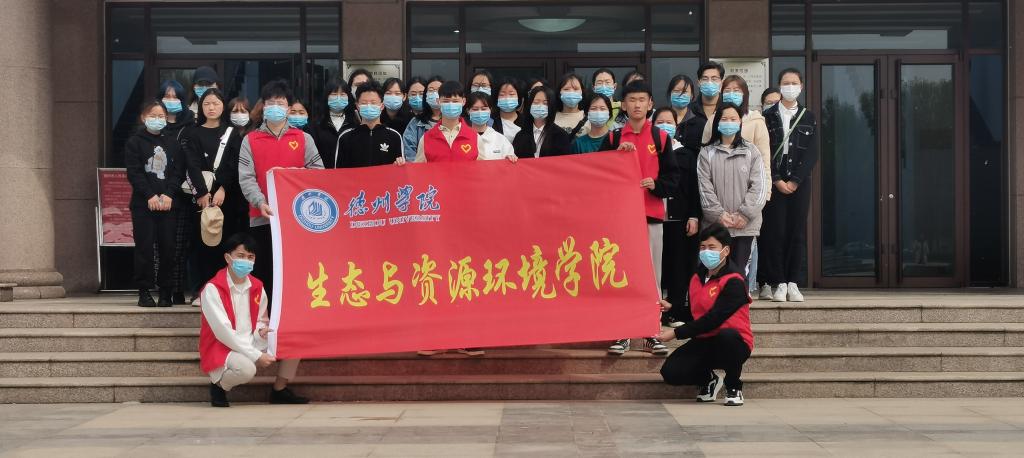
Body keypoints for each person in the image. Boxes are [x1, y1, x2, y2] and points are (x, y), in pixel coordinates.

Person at [237, 79, 319, 404]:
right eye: (270, 102)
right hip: (261, 222)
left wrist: (298, 196)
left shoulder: (303, 138)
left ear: (289, 107)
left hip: (296, 226)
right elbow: (245, 178)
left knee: (294, 291)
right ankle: (257, 356)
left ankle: (283, 379)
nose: (276, 107)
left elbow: (317, 171)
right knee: (266, 288)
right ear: (263, 106)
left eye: (281, 102)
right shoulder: (250, 140)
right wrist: (261, 202)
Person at [600, 80, 679, 356]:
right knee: (621, 274)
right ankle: (621, 332)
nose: (637, 105)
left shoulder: (661, 138)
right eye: (632, 100)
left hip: (651, 216)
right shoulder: (613, 138)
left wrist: (656, 185)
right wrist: (615, 158)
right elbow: (599, 175)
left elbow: (673, 179)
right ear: (623, 105)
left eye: (642, 99)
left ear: (650, 104)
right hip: (620, 219)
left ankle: (650, 332)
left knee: (652, 278)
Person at [658, 223, 753, 407]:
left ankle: (733, 386)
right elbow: (696, 313)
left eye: (712, 247)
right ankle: (709, 380)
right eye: (702, 247)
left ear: (725, 251)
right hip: (705, 339)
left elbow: (713, 319)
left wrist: (675, 333)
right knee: (671, 372)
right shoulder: (697, 277)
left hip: (735, 341)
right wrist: (672, 309)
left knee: (727, 336)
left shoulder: (734, 281)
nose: (706, 252)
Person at [200, 233, 300, 407]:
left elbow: (261, 318)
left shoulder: (257, 286)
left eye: (250, 257)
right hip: (224, 346)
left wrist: (261, 330)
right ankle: (219, 386)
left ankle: (280, 389)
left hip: (251, 339)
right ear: (228, 258)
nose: (246, 261)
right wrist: (257, 355)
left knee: (296, 340)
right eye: (240, 256)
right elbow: (223, 331)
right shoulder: (212, 289)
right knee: (247, 370)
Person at [760, 69, 817, 303]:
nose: (790, 86)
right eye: (786, 82)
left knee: (796, 232)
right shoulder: (767, 116)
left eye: (794, 83)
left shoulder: (809, 116)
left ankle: (793, 282)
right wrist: (776, 179)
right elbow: (763, 150)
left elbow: (812, 153)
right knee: (775, 232)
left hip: (799, 181)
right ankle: (779, 282)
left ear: (801, 87)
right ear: (779, 85)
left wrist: (795, 181)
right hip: (774, 179)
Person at [182, 89, 247, 291]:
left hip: (226, 198)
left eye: (216, 103)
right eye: (207, 103)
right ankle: (200, 290)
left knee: (225, 242)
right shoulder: (192, 133)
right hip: (200, 198)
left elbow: (234, 164)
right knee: (199, 243)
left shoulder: (232, 133)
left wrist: (223, 188)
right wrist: (201, 193)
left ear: (223, 106)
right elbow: (191, 164)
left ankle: (222, 288)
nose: (211, 107)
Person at [697, 103, 767, 282]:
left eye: (733, 119)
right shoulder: (706, 153)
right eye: (724, 119)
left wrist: (744, 214)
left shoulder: (752, 151)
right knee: (714, 273)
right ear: (717, 122)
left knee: (739, 274)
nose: (729, 122)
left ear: (740, 122)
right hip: (716, 227)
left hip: (745, 227)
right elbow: (704, 188)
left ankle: (740, 301)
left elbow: (759, 187)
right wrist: (718, 215)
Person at [124, 100, 183, 308]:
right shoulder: (134, 142)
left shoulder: (173, 143)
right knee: (144, 248)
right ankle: (144, 291)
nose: (157, 119)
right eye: (153, 115)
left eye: (161, 116)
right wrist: (149, 195)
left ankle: (166, 291)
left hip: (168, 205)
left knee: (168, 249)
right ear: (143, 117)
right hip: (143, 205)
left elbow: (178, 172)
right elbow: (134, 173)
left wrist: (168, 194)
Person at [653, 106, 701, 326]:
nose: (665, 126)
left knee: (678, 268)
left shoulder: (686, 154)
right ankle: (653, 313)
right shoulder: (648, 151)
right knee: (656, 268)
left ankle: (675, 312)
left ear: (676, 125)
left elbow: (693, 188)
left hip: (679, 219)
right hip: (653, 219)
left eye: (669, 122)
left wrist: (694, 216)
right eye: (660, 122)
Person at [158, 79, 197, 305]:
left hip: (182, 195)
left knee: (180, 245)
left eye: (175, 97)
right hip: (157, 194)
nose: (171, 101)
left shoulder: (190, 127)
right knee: (160, 244)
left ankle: (178, 288)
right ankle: (163, 287)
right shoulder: (154, 126)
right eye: (167, 96)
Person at [335, 81, 406, 168]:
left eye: (373, 103)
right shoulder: (345, 138)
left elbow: (401, 170)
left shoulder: (394, 137)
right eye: (364, 103)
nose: (369, 106)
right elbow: (338, 172)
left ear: (382, 106)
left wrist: (399, 165)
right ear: (357, 106)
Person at [414, 81, 484, 163]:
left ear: (463, 101)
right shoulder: (426, 138)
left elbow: (483, 168)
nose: (451, 104)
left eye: (455, 101)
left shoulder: (475, 137)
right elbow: (418, 169)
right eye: (446, 101)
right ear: (438, 101)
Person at [511, 86, 573, 158]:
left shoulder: (560, 135)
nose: (540, 106)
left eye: (545, 103)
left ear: (551, 106)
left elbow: (564, 161)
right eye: (536, 102)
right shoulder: (521, 136)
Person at [680, 62, 725, 157]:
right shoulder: (688, 110)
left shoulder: (728, 109)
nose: (709, 82)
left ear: (721, 82)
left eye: (714, 79)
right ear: (698, 82)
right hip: (693, 162)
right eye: (705, 79)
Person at [312, 77, 357, 169]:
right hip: (323, 174)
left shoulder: (354, 123)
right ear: (327, 96)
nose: (338, 98)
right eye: (334, 94)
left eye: (342, 94)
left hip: (348, 175)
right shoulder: (316, 124)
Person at [466, 92, 517, 162]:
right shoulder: (461, 138)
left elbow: (512, 161)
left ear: (490, 110)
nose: (480, 112)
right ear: (468, 111)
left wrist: (510, 158)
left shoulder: (501, 140)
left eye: (484, 109)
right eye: (475, 109)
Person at [402, 75, 444, 161]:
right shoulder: (416, 122)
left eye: (439, 90)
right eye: (431, 90)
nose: (435, 93)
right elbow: (409, 152)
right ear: (426, 95)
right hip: (421, 168)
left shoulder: (453, 120)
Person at [554, 73, 589, 137]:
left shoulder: (589, 118)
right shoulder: (551, 118)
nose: (571, 92)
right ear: (559, 93)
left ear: (581, 92)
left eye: (576, 89)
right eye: (566, 89)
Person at [493, 77, 524, 144]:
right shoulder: (490, 120)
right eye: (502, 95)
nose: (507, 98)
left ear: (519, 97)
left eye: (511, 94)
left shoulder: (526, 122)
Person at [667, 75, 696, 142]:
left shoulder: (696, 121)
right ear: (670, 94)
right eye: (676, 91)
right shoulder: (661, 119)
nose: (680, 94)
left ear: (691, 96)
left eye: (684, 92)